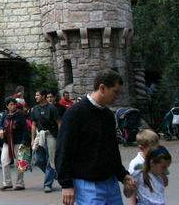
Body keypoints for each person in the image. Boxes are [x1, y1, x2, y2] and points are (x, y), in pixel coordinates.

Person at [56, 69, 136, 205]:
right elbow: (63, 149)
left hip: (110, 183)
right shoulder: (75, 113)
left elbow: (112, 149)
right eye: (115, 92)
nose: (117, 96)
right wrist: (66, 184)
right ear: (102, 88)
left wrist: (123, 175)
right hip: (87, 185)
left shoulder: (108, 115)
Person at [30, 90, 60, 193]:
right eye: (35, 95)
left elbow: (59, 123)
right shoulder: (34, 109)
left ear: (43, 96)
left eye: (37, 95)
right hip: (40, 135)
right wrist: (32, 139)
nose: (35, 97)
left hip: (51, 135)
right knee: (38, 160)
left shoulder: (52, 108)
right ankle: (53, 174)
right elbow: (33, 125)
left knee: (50, 160)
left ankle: (47, 184)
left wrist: (60, 137)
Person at [0, 98, 28, 192]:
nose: (13, 106)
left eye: (14, 104)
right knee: (4, 161)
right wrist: (0, 129)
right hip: (7, 142)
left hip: (19, 142)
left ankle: (20, 183)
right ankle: (7, 183)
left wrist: (23, 142)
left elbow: (25, 129)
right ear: (7, 106)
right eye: (10, 104)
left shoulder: (20, 115)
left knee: (20, 163)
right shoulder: (5, 114)